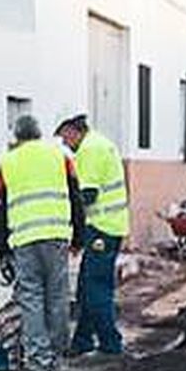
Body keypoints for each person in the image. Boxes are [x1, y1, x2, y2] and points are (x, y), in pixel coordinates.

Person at [0, 112, 85, 371]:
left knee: (31, 299)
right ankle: (56, 358)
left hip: (24, 240)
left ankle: (38, 360)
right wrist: (79, 237)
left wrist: (2, 250)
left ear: (17, 136)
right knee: (57, 296)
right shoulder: (61, 157)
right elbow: (76, 198)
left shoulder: (7, 163)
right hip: (56, 237)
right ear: (38, 133)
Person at [56, 110, 129, 357]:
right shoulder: (99, 143)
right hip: (107, 226)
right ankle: (83, 340)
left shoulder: (90, 150)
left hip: (102, 228)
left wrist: (61, 213)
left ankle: (111, 343)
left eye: (65, 138)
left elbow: (86, 196)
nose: (65, 144)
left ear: (73, 130)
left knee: (96, 287)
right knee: (86, 286)